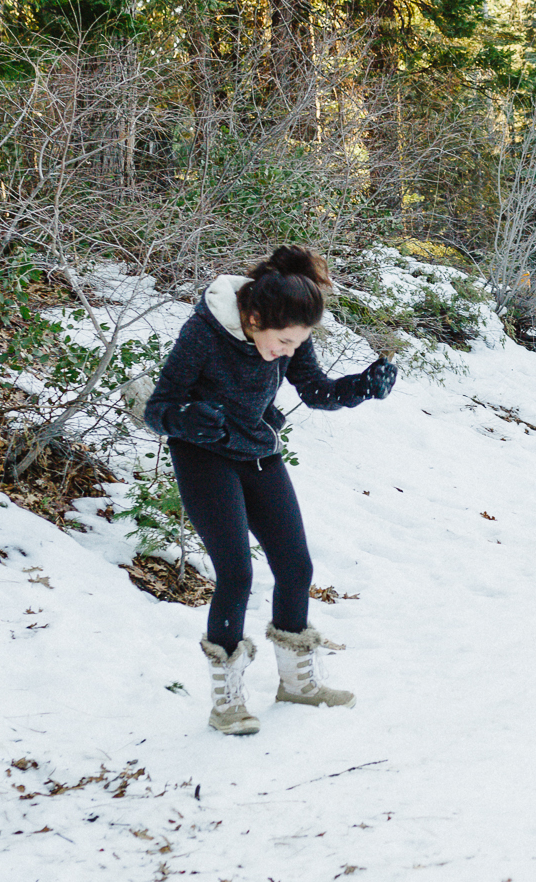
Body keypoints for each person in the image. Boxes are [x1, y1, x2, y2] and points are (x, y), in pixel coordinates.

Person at [143, 246, 397, 735]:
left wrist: (364, 386)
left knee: (296, 566)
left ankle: (297, 684)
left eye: (296, 344)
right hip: (204, 456)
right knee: (236, 574)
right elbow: (160, 408)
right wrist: (186, 419)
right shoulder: (203, 333)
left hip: (258, 451)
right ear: (254, 317)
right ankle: (227, 702)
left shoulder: (290, 334)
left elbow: (317, 392)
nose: (287, 350)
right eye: (282, 341)